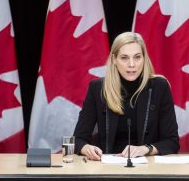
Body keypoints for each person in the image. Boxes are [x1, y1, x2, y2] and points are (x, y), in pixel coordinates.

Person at [74, 32, 179, 161]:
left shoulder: (159, 87)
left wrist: (146, 149)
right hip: (107, 169)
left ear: (144, 58)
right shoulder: (97, 88)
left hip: (148, 169)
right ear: (114, 60)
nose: (131, 64)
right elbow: (78, 140)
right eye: (124, 58)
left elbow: (172, 142)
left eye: (137, 57)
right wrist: (87, 148)